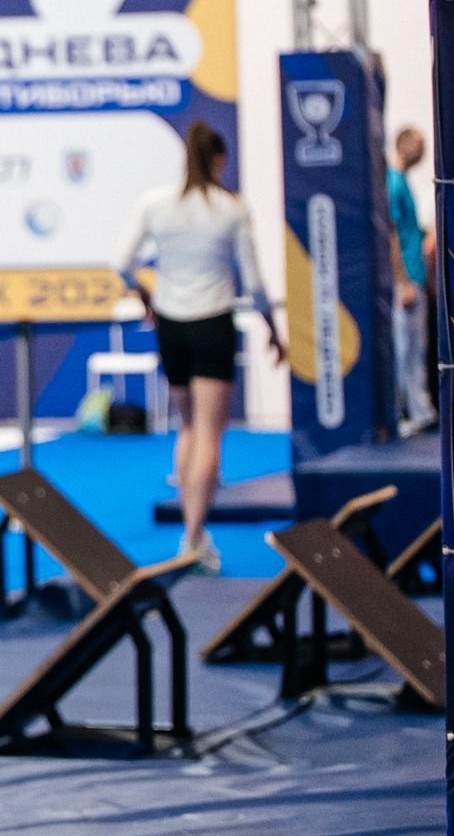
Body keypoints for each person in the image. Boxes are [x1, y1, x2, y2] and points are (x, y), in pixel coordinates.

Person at [117, 121, 283, 575]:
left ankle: (192, 533)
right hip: (212, 323)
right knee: (210, 433)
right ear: (219, 160)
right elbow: (254, 282)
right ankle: (193, 535)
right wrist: (273, 329)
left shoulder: (156, 204)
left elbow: (122, 264)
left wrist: (146, 297)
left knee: (188, 428)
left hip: (171, 324)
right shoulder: (232, 208)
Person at [386, 126, 437, 438]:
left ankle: (420, 410)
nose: (423, 152)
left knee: (416, 349)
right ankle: (399, 412)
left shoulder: (402, 181)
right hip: (405, 280)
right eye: (419, 145)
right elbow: (391, 235)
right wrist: (402, 281)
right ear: (403, 144)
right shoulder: (393, 182)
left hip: (415, 276)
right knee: (403, 350)